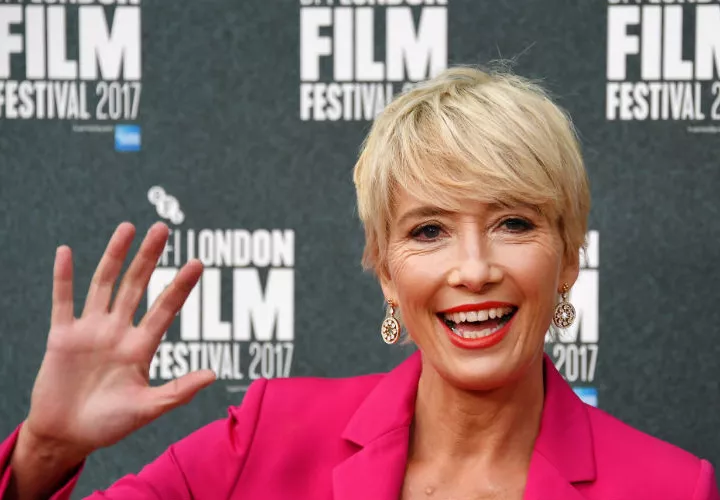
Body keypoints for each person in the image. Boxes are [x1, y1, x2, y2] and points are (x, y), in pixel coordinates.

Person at [1, 66, 717, 500]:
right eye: (428, 231)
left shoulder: (671, 488)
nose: (474, 269)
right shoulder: (270, 435)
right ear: (385, 271)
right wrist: (45, 453)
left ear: (569, 259)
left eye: (514, 223)